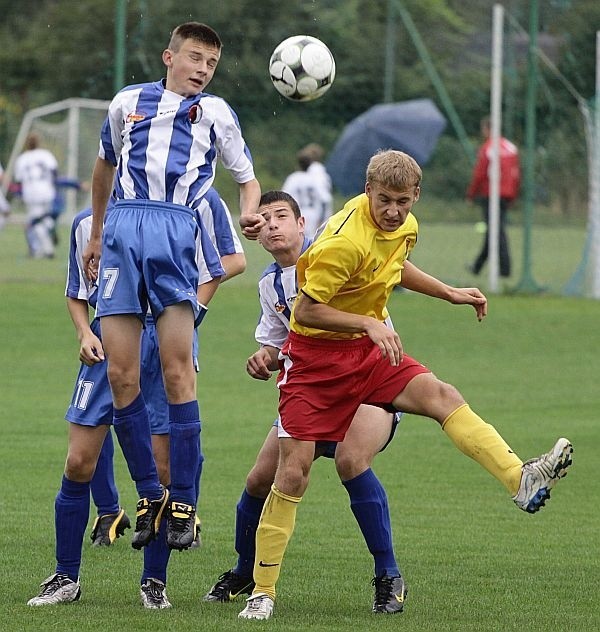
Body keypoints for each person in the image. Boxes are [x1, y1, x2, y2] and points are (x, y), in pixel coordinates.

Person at [238, 150, 573, 621]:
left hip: (367, 355)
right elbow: (306, 312)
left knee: (443, 396)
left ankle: (520, 479)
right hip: (314, 363)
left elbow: (395, 267)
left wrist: (450, 291)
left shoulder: (406, 226)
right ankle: (262, 591)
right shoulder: (342, 242)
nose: (393, 211)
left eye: (402, 201)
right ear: (367, 191)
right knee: (292, 474)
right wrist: (368, 324)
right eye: (384, 201)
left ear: (416, 195)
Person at [82, 22, 263, 553]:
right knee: (120, 374)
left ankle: (183, 501)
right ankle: (149, 495)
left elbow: (246, 179)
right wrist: (95, 234)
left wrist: (250, 214)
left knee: (177, 368)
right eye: (195, 58)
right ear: (169, 57)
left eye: (211, 62)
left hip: (175, 230)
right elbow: (103, 167)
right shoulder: (126, 103)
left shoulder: (217, 114)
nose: (203, 69)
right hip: (121, 229)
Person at [204, 190, 405, 614]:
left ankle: (388, 576)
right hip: (312, 391)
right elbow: (280, 346)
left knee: (352, 460)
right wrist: (264, 358)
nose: (273, 224)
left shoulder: (335, 252)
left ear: (302, 224)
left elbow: (392, 274)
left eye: (282, 215)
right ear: (258, 234)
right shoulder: (269, 285)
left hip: (365, 383)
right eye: (264, 219)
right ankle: (246, 570)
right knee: (261, 478)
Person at [28, 202, 224, 608]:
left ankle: (154, 582)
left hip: (160, 344)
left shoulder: (181, 211)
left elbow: (219, 267)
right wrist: (84, 333)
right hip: (107, 345)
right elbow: (77, 291)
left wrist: (190, 321)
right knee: (79, 461)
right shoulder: (88, 224)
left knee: (163, 465)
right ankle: (66, 577)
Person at [466, 116, 520, 277]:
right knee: (495, 230)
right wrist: (513, 196)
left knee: (496, 232)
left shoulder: (488, 148)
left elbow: (480, 174)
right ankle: (478, 266)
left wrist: (471, 194)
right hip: (506, 195)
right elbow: (516, 175)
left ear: (487, 129)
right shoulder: (511, 148)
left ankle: (504, 269)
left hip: (490, 194)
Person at [12, 133, 58, 258]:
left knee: (36, 222)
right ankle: (51, 227)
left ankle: (48, 250)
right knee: (45, 217)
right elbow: (54, 171)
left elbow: (18, 180)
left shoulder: (22, 159)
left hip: (31, 193)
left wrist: (19, 194)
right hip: (47, 191)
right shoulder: (46, 155)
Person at [282, 143, 332, 239]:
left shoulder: (293, 178)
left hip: (299, 214)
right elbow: (325, 199)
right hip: (315, 214)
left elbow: (284, 199)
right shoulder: (318, 177)